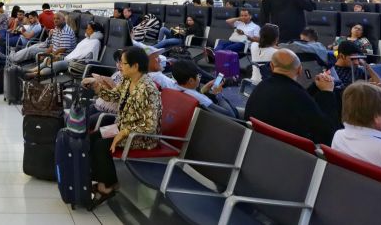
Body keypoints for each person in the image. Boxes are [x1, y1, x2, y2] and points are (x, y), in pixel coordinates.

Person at [83, 46, 162, 205]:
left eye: (124, 63)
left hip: (140, 135)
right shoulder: (127, 80)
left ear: (135, 66)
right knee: (92, 138)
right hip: (121, 128)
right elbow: (113, 96)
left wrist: (124, 132)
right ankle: (106, 181)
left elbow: (150, 125)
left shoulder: (148, 89)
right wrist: (96, 85)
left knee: (101, 146)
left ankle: (107, 186)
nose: (120, 66)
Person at [244, 48, 340, 145]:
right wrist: (327, 92)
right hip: (292, 150)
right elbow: (328, 133)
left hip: (256, 143)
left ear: (272, 67)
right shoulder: (298, 96)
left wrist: (315, 86)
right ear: (300, 70)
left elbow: (296, 99)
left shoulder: (261, 87)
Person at [27, 20, 102, 78]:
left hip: (76, 63)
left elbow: (88, 57)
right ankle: (33, 70)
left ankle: (35, 74)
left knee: (55, 64)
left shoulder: (95, 42)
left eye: (88, 29)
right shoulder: (86, 39)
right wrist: (60, 56)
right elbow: (76, 52)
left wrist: (66, 58)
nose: (86, 30)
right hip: (69, 58)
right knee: (50, 58)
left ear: (95, 32)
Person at [170, 59, 236, 118]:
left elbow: (192, 95)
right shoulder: (201, 99)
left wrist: (203, 90)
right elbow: (231, 116)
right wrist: (218, 94)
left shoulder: (174, 87)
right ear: (191, 81)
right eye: (198, 76)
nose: (199, 77)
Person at [10, 12, 74, 64]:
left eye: (58, 18)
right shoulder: (57, 28)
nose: (55, 20)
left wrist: (48, 54)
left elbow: (62, 49)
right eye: (54, 19)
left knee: (31, 49)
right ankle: (14, 56)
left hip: (60, 54)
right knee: (31, 47)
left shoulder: (65, 32)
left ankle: (13, 58)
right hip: (48, 45)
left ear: (64, 19)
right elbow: (53, 45)